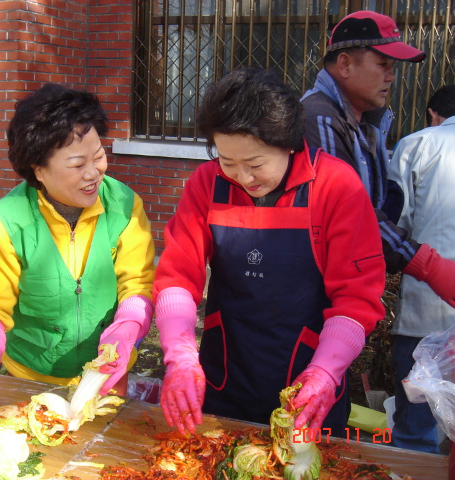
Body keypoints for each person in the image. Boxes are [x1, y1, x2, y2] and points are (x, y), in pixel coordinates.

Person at [153, 67, 385, 436]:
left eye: (255, 164)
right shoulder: (206, 184)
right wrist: (179, 355)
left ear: (290, 143)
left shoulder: (337, 187)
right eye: (228, 162)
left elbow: (357, 298)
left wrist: (325, 373)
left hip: (311, 383)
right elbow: (178, 277)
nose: (243, 178)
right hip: (224, 377)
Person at [0, 84, 156, 411]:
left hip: (107, 374)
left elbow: (137, 282)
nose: (94, 174)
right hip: (29, 379)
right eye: (78, 165)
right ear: (39, 169)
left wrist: (126, 328)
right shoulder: (5, 224)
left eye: (99, 156)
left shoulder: (123, 205)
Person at [301, 10, 455, 308]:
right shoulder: (320, 119)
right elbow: (351, 215)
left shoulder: (364, 122)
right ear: (345, 64)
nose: (391, 77)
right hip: (314, 294)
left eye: (393, 67)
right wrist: (428, 265)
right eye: (383, 64)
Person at [386, 84, 455, 453]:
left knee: (416, 428)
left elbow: (396, 225)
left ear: (432, 114)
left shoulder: (418, 144)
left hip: (426, 316)